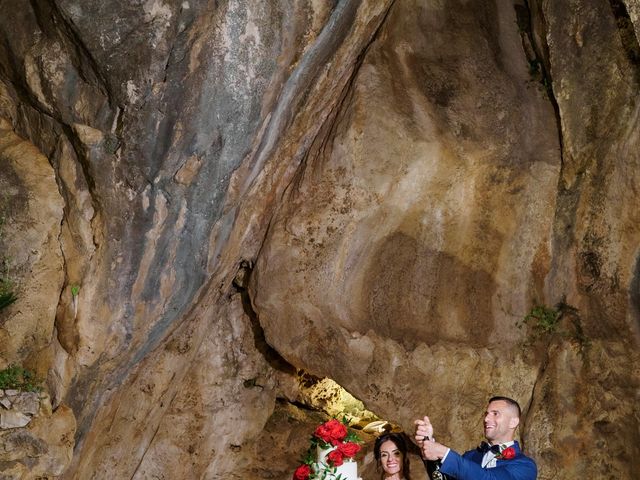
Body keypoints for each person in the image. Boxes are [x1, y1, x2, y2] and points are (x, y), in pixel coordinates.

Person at [414, 396, 537, 480]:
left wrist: (444, 453)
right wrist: (428, 444)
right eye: (486, 414)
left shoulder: (525, 466)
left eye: (495, 414)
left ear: (513, 422)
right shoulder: (470, 457)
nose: (486, 419)